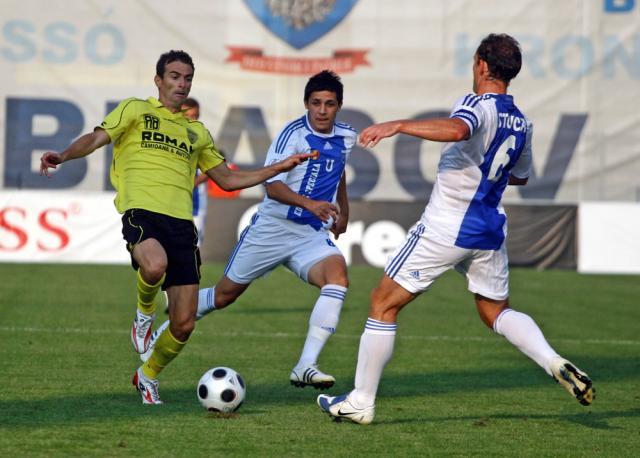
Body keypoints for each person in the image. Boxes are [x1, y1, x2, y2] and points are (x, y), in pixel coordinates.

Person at [316, 34, 594, 425]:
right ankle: (553, 360)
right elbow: (520, 177)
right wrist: (480, 171)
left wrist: (397, 125)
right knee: (495, 310)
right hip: (488, 231)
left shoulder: (476, 103)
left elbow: (460, 130)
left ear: (482, 64)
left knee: (383, 303)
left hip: (447, 226)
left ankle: (361, 400)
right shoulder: (522, 122)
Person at [39, 50, 314, 405]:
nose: (181, 84)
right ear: (158, 80)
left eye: (187, 78)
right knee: (153, 265)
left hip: (181, 224)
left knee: (184, 324)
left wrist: (276, 168)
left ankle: (147, 376)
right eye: (174, 76)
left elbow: (228, 180)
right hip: (143, 211)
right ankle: (144, 314)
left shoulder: (197, 132)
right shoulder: (135, 110)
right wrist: (63, 155)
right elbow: (95, 138)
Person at [143, 70, 356, 389]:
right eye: (316, 103)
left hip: (309, 235)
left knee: (338, 277)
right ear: (306, 104)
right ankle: (164, 332)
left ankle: (306, 365)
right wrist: (312, 204)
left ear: (339, 106)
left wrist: (343, 212)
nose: (322, 110)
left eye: (329, 104)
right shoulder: (292, 135)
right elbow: (272, 186)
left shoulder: (347, 136)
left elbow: (338, 172)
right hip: (272, 228)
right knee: (223, 296)